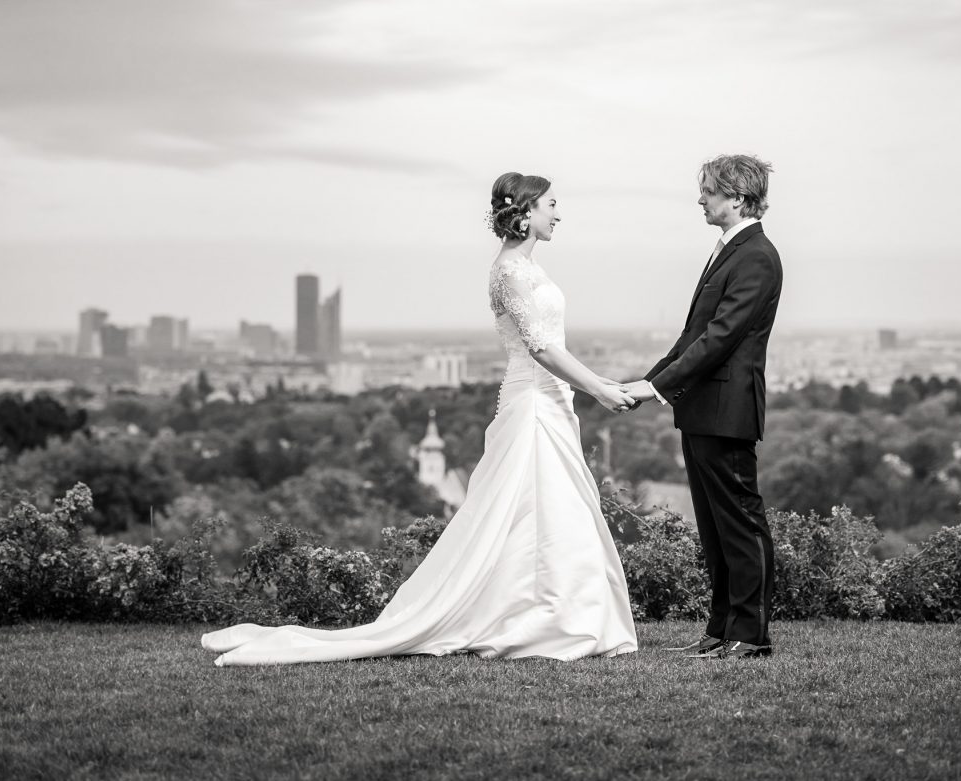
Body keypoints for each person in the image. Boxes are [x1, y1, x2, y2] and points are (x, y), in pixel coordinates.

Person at [202, 172, 638, 665]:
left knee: (551, 505)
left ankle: (554, 613)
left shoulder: (526, 268)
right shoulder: (510, 271)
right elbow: (540, 349)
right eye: (552, 205)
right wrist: (599, 388)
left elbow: (553, 346)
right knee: (535, 504)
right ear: (526, 211)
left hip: (552, 400)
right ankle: (546, 618)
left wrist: (599, 384)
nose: (559, 214)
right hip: (534, 399)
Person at [623, 154, 783, 660]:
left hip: (728, 409)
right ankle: (721, 629)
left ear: (737, 197)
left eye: (709, 191)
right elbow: (692, 336)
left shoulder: (756, 255)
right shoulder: (729, 251)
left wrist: (656, 389)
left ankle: (750, 634)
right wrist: (646, 384)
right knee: (714, 528)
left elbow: (720, 338)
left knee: (740, 523)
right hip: (703, 409)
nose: (701, 199)